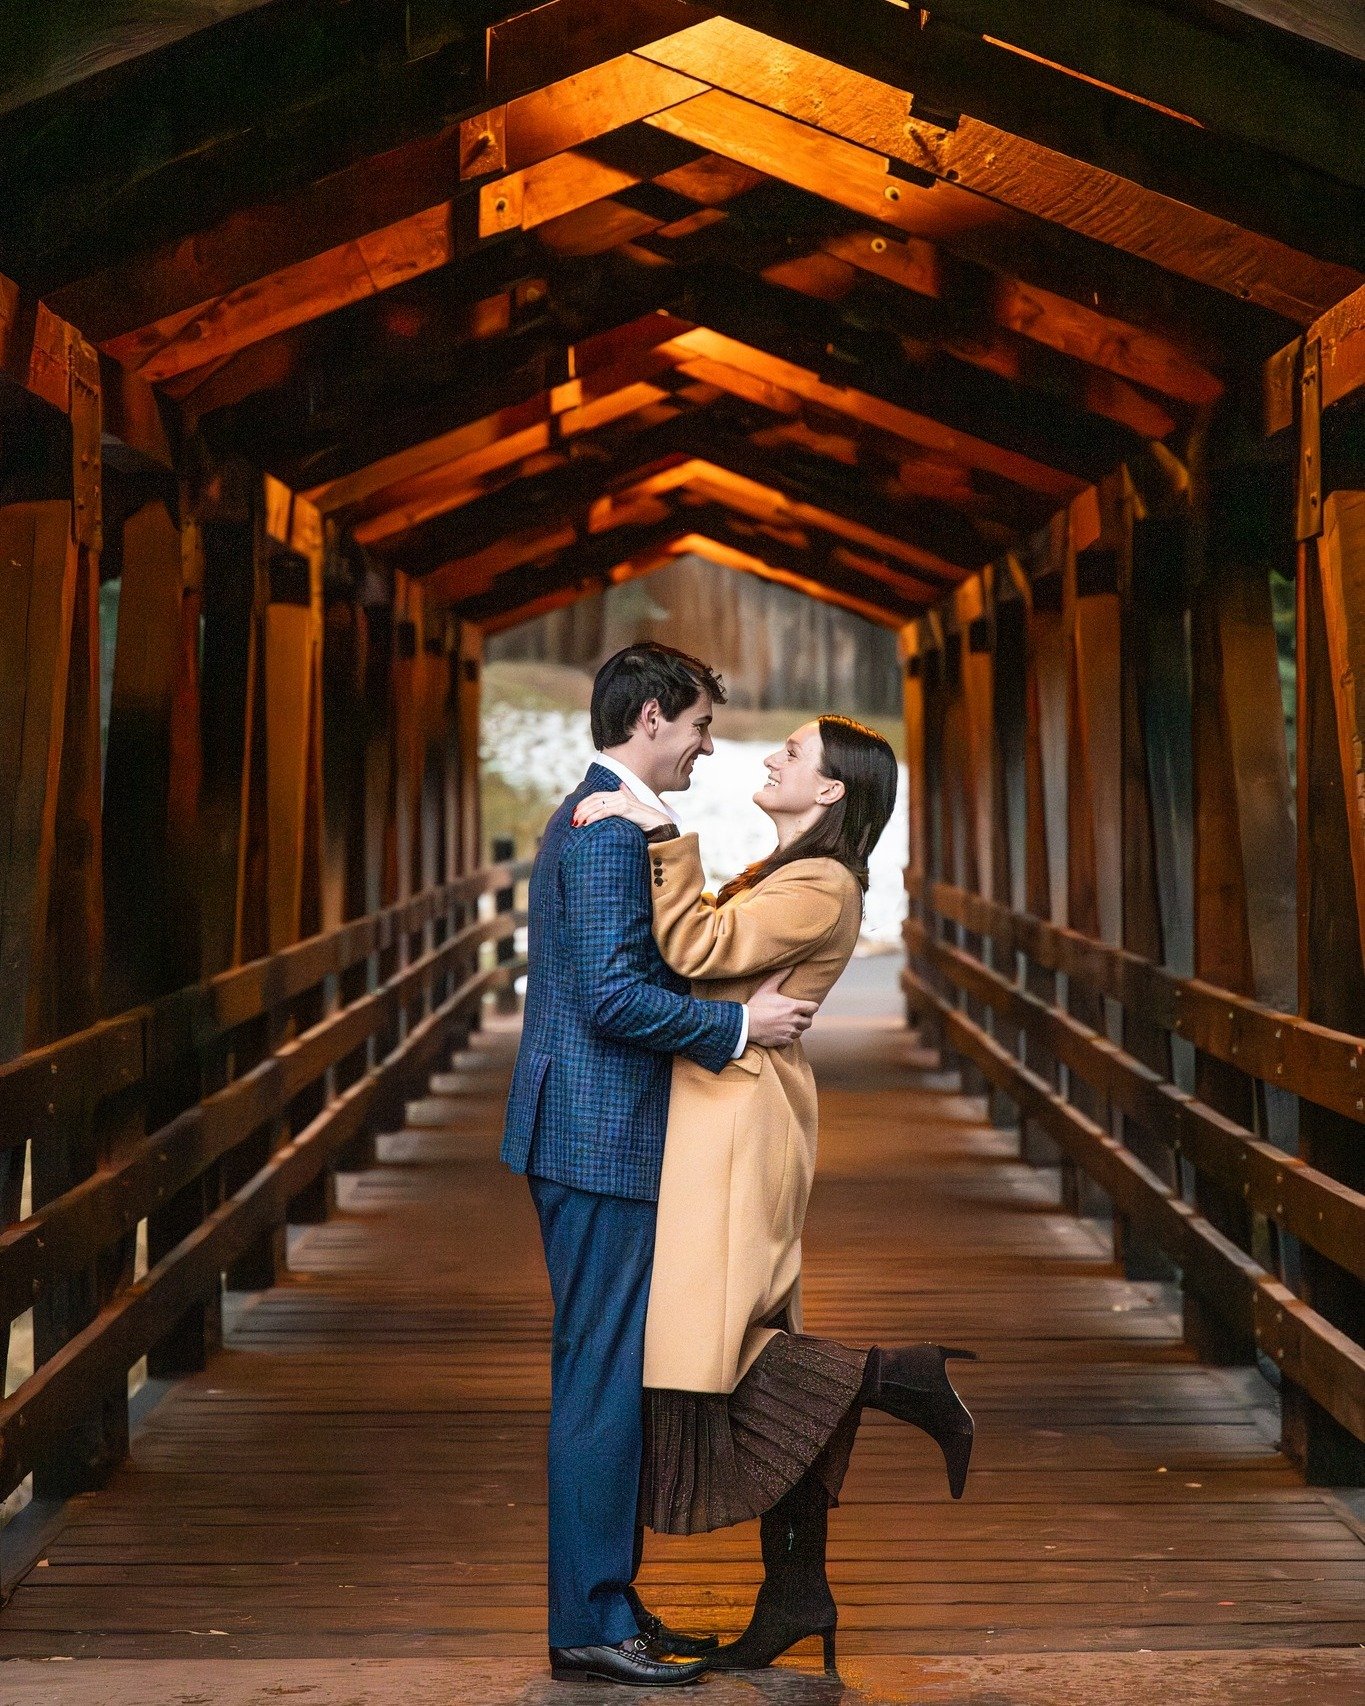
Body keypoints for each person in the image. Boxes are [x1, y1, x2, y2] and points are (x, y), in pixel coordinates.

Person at [573, 713, 976, 1674]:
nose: (768, 757)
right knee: (732, 1342)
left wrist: (655, 832)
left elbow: (696, 948)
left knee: (714, 1346)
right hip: (723, 1108)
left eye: (792, 754)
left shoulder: (820, 882)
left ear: (831, 789)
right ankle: (797, 1587)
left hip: (736, 1122)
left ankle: (893, 1378)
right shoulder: (789, 871)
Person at [500, 642, 819, 1688]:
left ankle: (607, 1600)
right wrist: (738, 1026)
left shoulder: (615, 819)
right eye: (697, 726)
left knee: (607, 1377)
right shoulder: (604, 835)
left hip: (598, 1133)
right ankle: (589, 1622)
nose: (706, 746)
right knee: (599, 1381)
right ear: (648, 719)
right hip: (597, 1138)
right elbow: (612, 997)